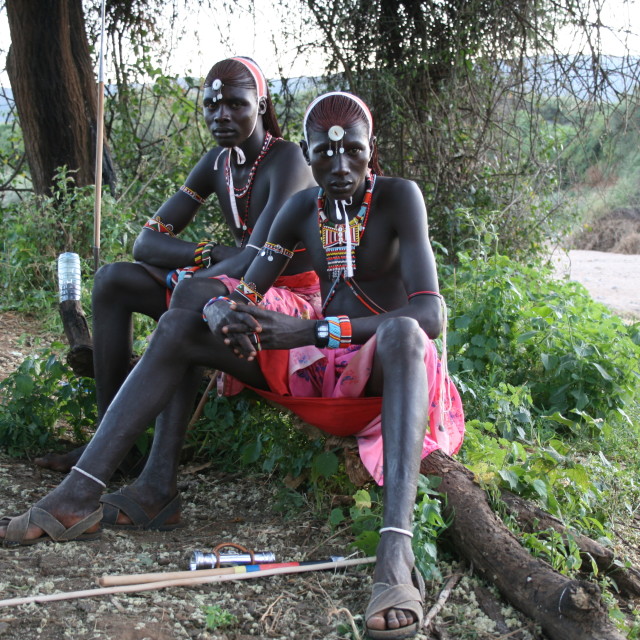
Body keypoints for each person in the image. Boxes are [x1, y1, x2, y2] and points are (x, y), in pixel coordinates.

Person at [1, 92, 464, 639]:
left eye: (353, 155)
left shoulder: (399, 198)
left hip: (386, 374)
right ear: (308, 154)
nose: (339, 169)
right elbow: (247, 286)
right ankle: (82, 493)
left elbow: (430, 311)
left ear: (371, 152)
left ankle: (394, 552)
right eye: (324, 157)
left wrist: (312, 329)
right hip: (316, 373)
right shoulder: (300, 210)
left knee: (406, 333)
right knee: (179, 325)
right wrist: (227, 309)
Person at [34, 56, 317, 474]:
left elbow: (257, 260)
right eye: (211, 106)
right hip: (228, 283)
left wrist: (195, 275)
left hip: (286, 296)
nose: (221, 115)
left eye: (236, 104)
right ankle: (110, 445)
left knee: (190, 292)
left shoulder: (287, 160)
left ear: (261, 104)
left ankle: (156, 479)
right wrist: (205, 254)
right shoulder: (217, 163)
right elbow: (146, 242)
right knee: (113, 280)